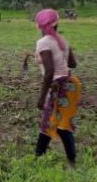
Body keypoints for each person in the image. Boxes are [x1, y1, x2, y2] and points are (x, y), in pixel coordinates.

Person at [33, 9, 82, 166]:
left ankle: (37, 157)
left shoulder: (43, 43)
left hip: (56, 86)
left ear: (39, 26)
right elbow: (72, 64)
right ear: (57, 23)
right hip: (70, 84)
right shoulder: (62, 40)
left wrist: (41, 98)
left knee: (48, 122)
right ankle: (71, 160)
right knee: (62, 124)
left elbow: (49, 73)